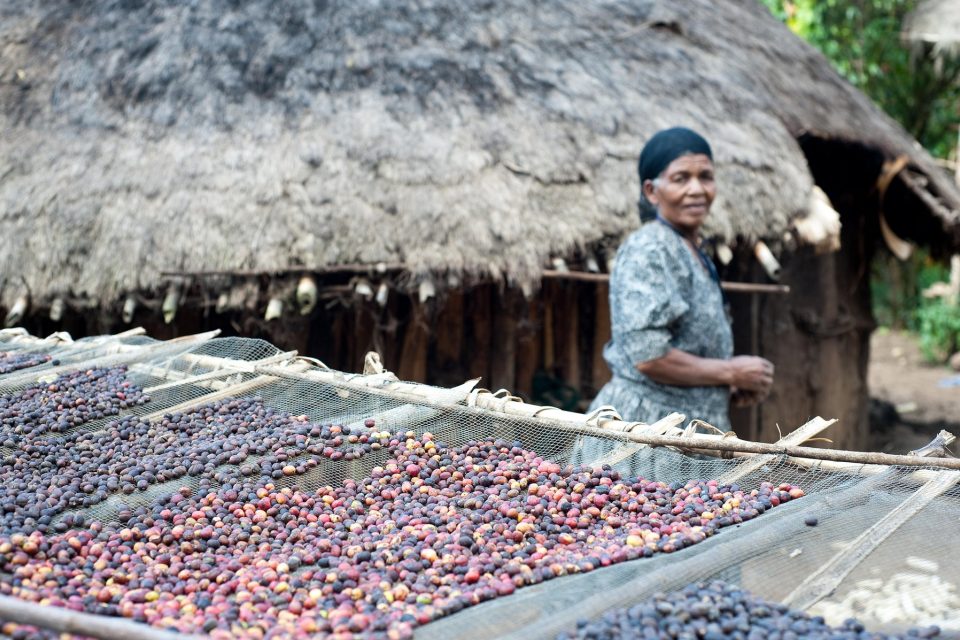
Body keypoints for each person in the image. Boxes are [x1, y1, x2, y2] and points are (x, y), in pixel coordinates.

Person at [588, 127, 774, 430]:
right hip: (646, 433)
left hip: (689, 430)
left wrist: (722, 386)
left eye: (706, 176)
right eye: (681, 178)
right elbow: (649, 357)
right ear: (651, 191)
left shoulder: (691, 250)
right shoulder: (650, 248)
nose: (697, 189)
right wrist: (729, 372)